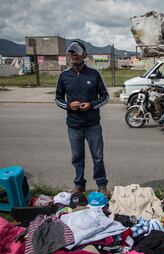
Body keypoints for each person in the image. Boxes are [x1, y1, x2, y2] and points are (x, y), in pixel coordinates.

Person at [55, 40, 110, 197]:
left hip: (93, 125)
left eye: (77, 52)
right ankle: (79, 185)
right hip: (74, 125)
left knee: (98, 157)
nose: (74, 55)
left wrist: (91, 105)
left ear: (84, 55)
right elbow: (58, 98)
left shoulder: (94, 74)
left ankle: (102, 186)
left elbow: (105, 97)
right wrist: (68, 105)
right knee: (77, 157)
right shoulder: (64, 76)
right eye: (71, 53)